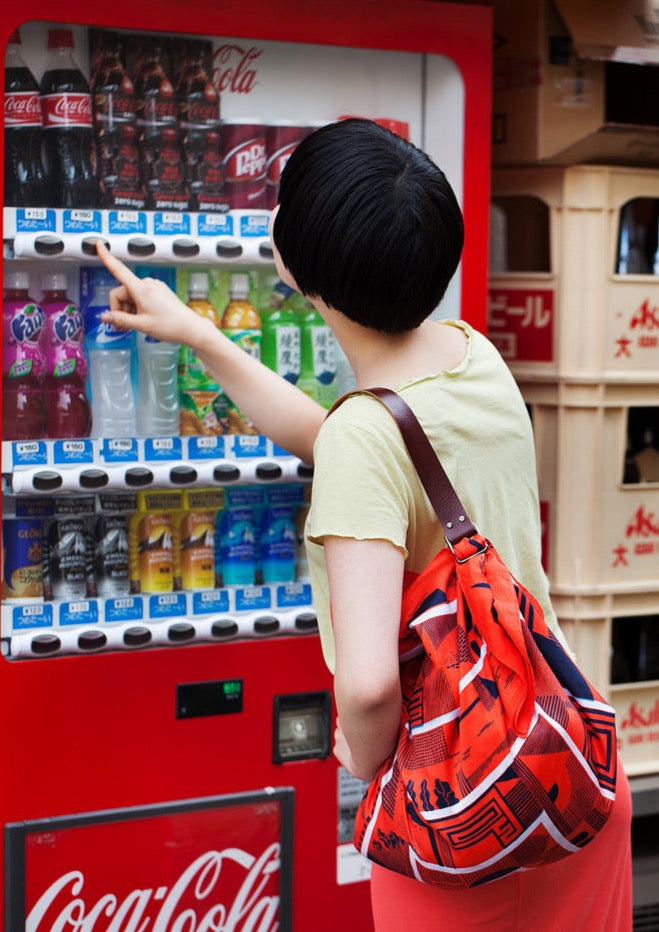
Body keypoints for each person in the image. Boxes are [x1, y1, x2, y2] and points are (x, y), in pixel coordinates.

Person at [96, 119, 632, 931]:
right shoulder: (467, 353)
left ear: (297, 259)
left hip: (463, 807)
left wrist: (362, 752)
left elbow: (372, 681)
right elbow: (355, 445)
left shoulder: (367, 441)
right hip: (566, 768)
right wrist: (201, 336)